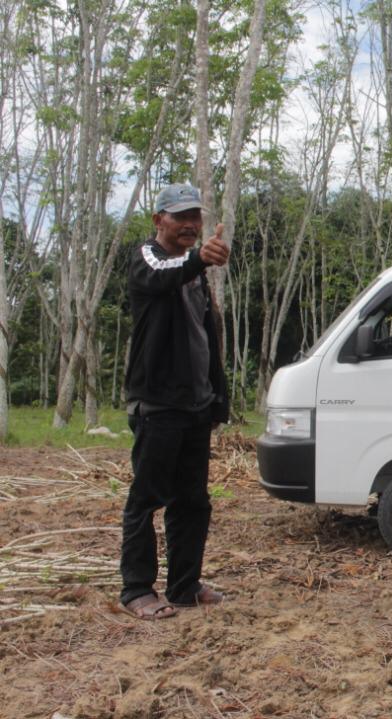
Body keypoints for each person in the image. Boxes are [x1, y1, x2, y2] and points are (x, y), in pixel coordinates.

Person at [119, 183, 230, 619]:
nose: (190, 225)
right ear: (158, 220)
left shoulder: (194, 272)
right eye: (180, 217)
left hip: (195, 407)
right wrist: (198, 257)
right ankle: (136, 590)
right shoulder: (148, 257)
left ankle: (185, 586)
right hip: (159, 405)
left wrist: (217, 397)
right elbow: (162, 273)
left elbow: (205, 337)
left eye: (195, 217)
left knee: (193, 500)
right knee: (146, 500)